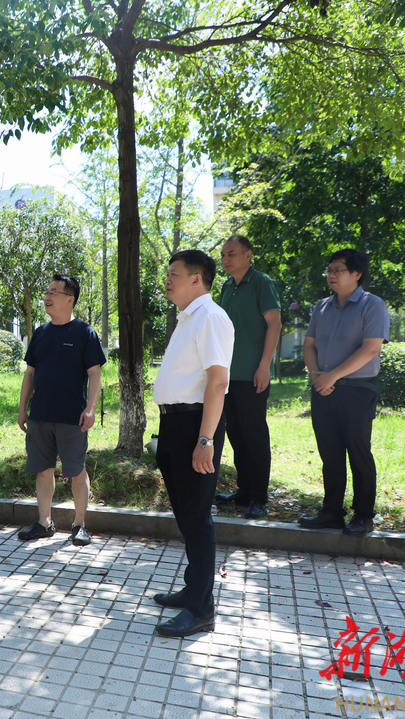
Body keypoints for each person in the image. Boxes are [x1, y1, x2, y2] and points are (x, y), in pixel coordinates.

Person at [151, 250, 233, 638]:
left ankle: (202, 610)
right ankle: (193, 589)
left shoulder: (212, 318)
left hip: (195, 427)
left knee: (198, 519)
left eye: (174, 274)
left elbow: (218, 382)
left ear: (197, 279)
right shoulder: (189, 318)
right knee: (186, 516)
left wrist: (206, 439)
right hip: (174, 424)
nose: (167, 280)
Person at [299, 249, 389, 537]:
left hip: (357, 391)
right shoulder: (322, 307)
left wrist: (332, 376)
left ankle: (363, 515)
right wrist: (317, 376)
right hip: (323, 390)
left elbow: (371, 348)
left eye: (338, 269)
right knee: (331, 453)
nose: (331, 275)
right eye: (329, 270)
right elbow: (309, 345)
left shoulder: (372, 305)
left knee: (358, 452)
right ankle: (331, 512)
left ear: (356, 274)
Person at [16, 274, 106, 547]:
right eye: (47, 291)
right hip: (41, 415)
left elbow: (95, 375)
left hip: (72, 417)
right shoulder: (41, 334)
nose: (47, 296)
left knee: (76, 470)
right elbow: (30, 374)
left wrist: (90, 410)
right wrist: (22, 409)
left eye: (54, 291)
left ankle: (79, 524)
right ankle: (44, 522)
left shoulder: (84, 333)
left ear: (70, 299)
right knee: (43, 470)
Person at [214, 235, 281, 520]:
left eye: (231, 254)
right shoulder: (227, 287)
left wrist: (264, 364)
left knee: (254, 434)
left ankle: (259, 497)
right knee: (236, 433)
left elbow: (275, 323)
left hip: (253, 374)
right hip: (227, 376)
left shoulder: (262, 283)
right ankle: (244, 491)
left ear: (248, 255)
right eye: (223, 255)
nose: (225, 259)